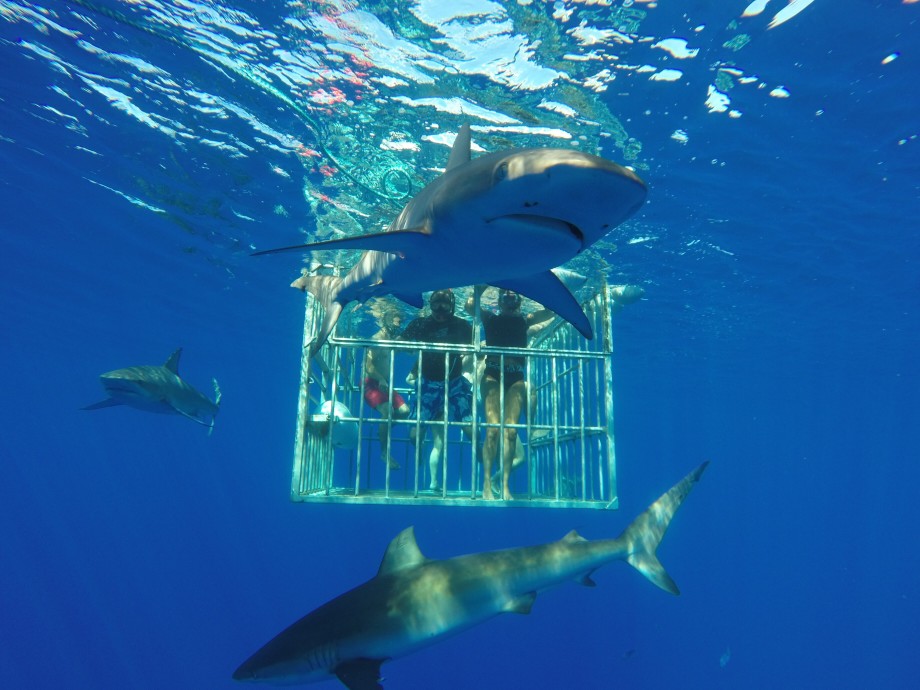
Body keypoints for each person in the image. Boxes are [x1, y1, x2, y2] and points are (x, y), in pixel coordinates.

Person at [469, 286, 552, 500]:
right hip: (492, 376)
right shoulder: (490, 318)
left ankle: (505, 484)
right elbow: (469, 305)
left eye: (512, 296)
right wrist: (481, 288)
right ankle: (487, 483)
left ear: (519, 301)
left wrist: (540, 291)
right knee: (493, 430)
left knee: (512, 432)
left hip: (516, 377)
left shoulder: (525, 319)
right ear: (498, 301)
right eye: (504, 296)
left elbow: (551, 312)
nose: (508, 298)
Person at [399, 289, 474, 491]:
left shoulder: (463, 325)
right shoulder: (420, 324)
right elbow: (401, 344)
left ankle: (483, 463)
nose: (440, 309)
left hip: (455, 383)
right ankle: (420, 449)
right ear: (430, 304)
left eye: (445, 305)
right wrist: (409, 345)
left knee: (471, 429)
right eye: (436, 304)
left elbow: (473, 350)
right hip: (428, 384)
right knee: (414, 435)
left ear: (452, 306)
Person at [364, 307, 410, 470]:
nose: (398, 326)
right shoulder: (376, 339)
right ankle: (384, 452)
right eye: (397, 322)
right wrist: (381, 379)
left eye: (400, 323)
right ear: (387, 320)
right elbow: (368, 366)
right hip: (372, 383)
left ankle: (383, 428)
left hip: (385, 384)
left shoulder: (391, 339)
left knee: (404, 411)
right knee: (387, 411)